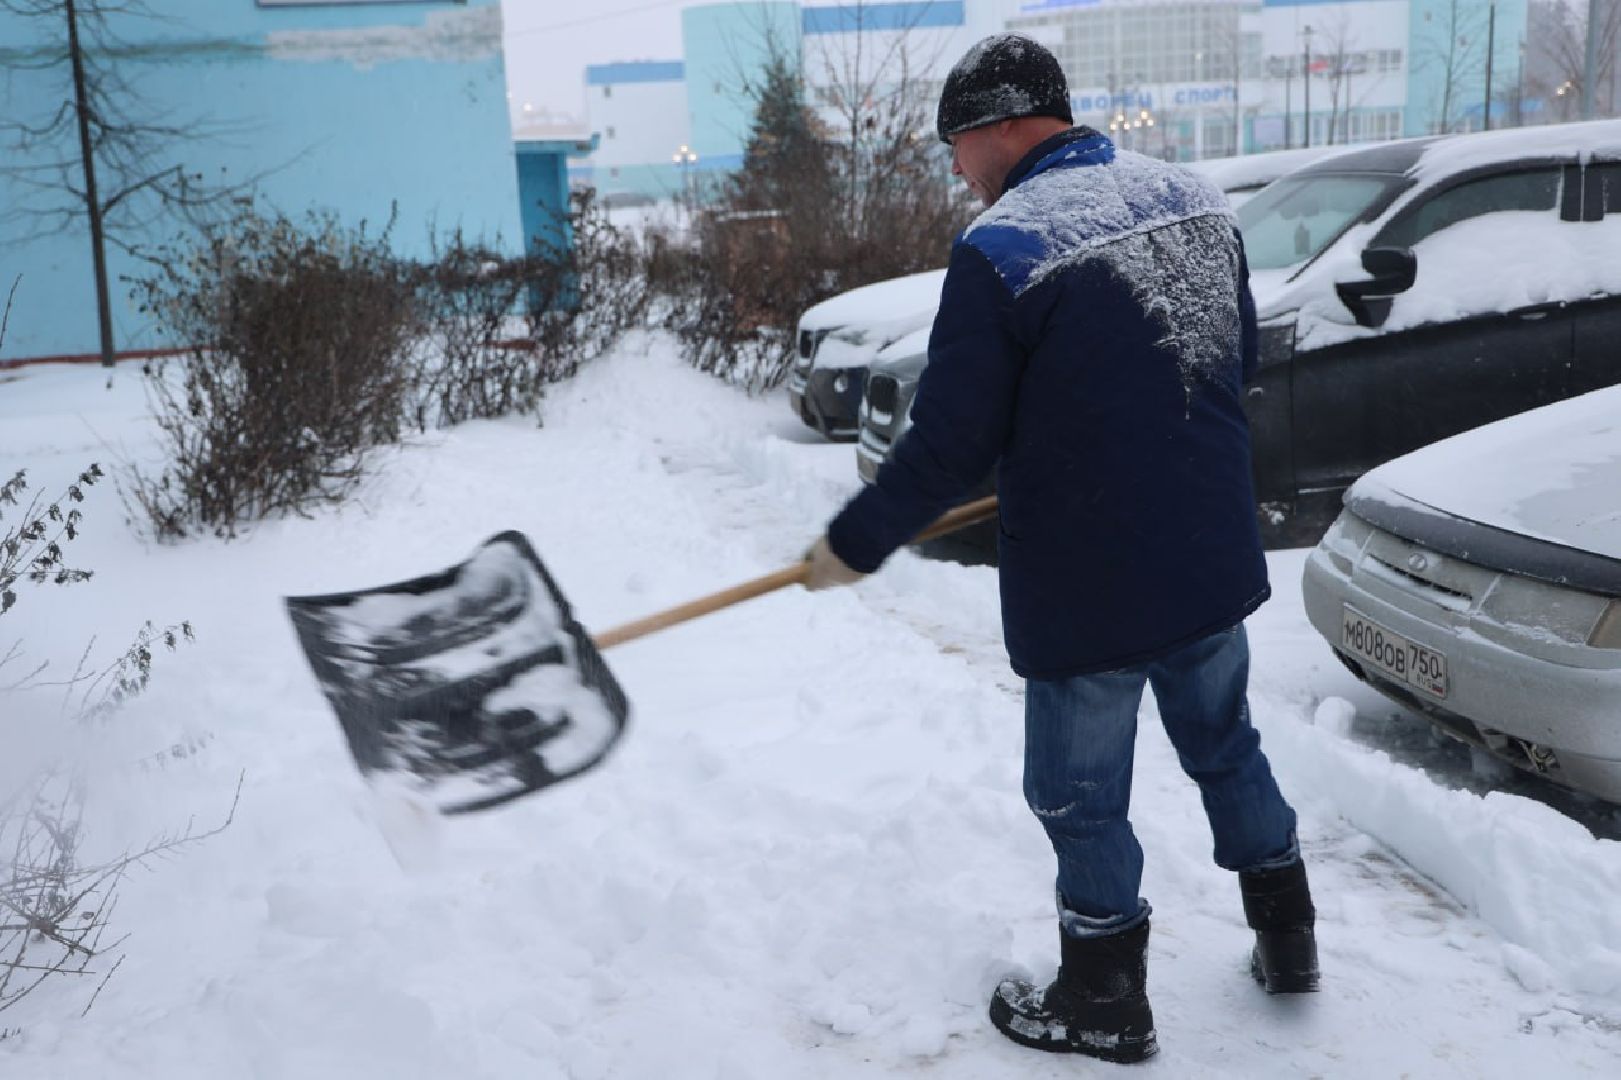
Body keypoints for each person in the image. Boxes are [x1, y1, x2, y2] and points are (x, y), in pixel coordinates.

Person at [803, 33, 1319, 1064]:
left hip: (1095, 586)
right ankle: (1289, 938)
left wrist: (855, 539)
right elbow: (1226, 363)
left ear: (999, 125)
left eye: (957, 145)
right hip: (1207, 555)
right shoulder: (1195, 198)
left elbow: (950, 443)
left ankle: (1101, 1001)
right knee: (1226, 746)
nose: (957, 169)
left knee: (1079, 796)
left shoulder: (1002, 249)